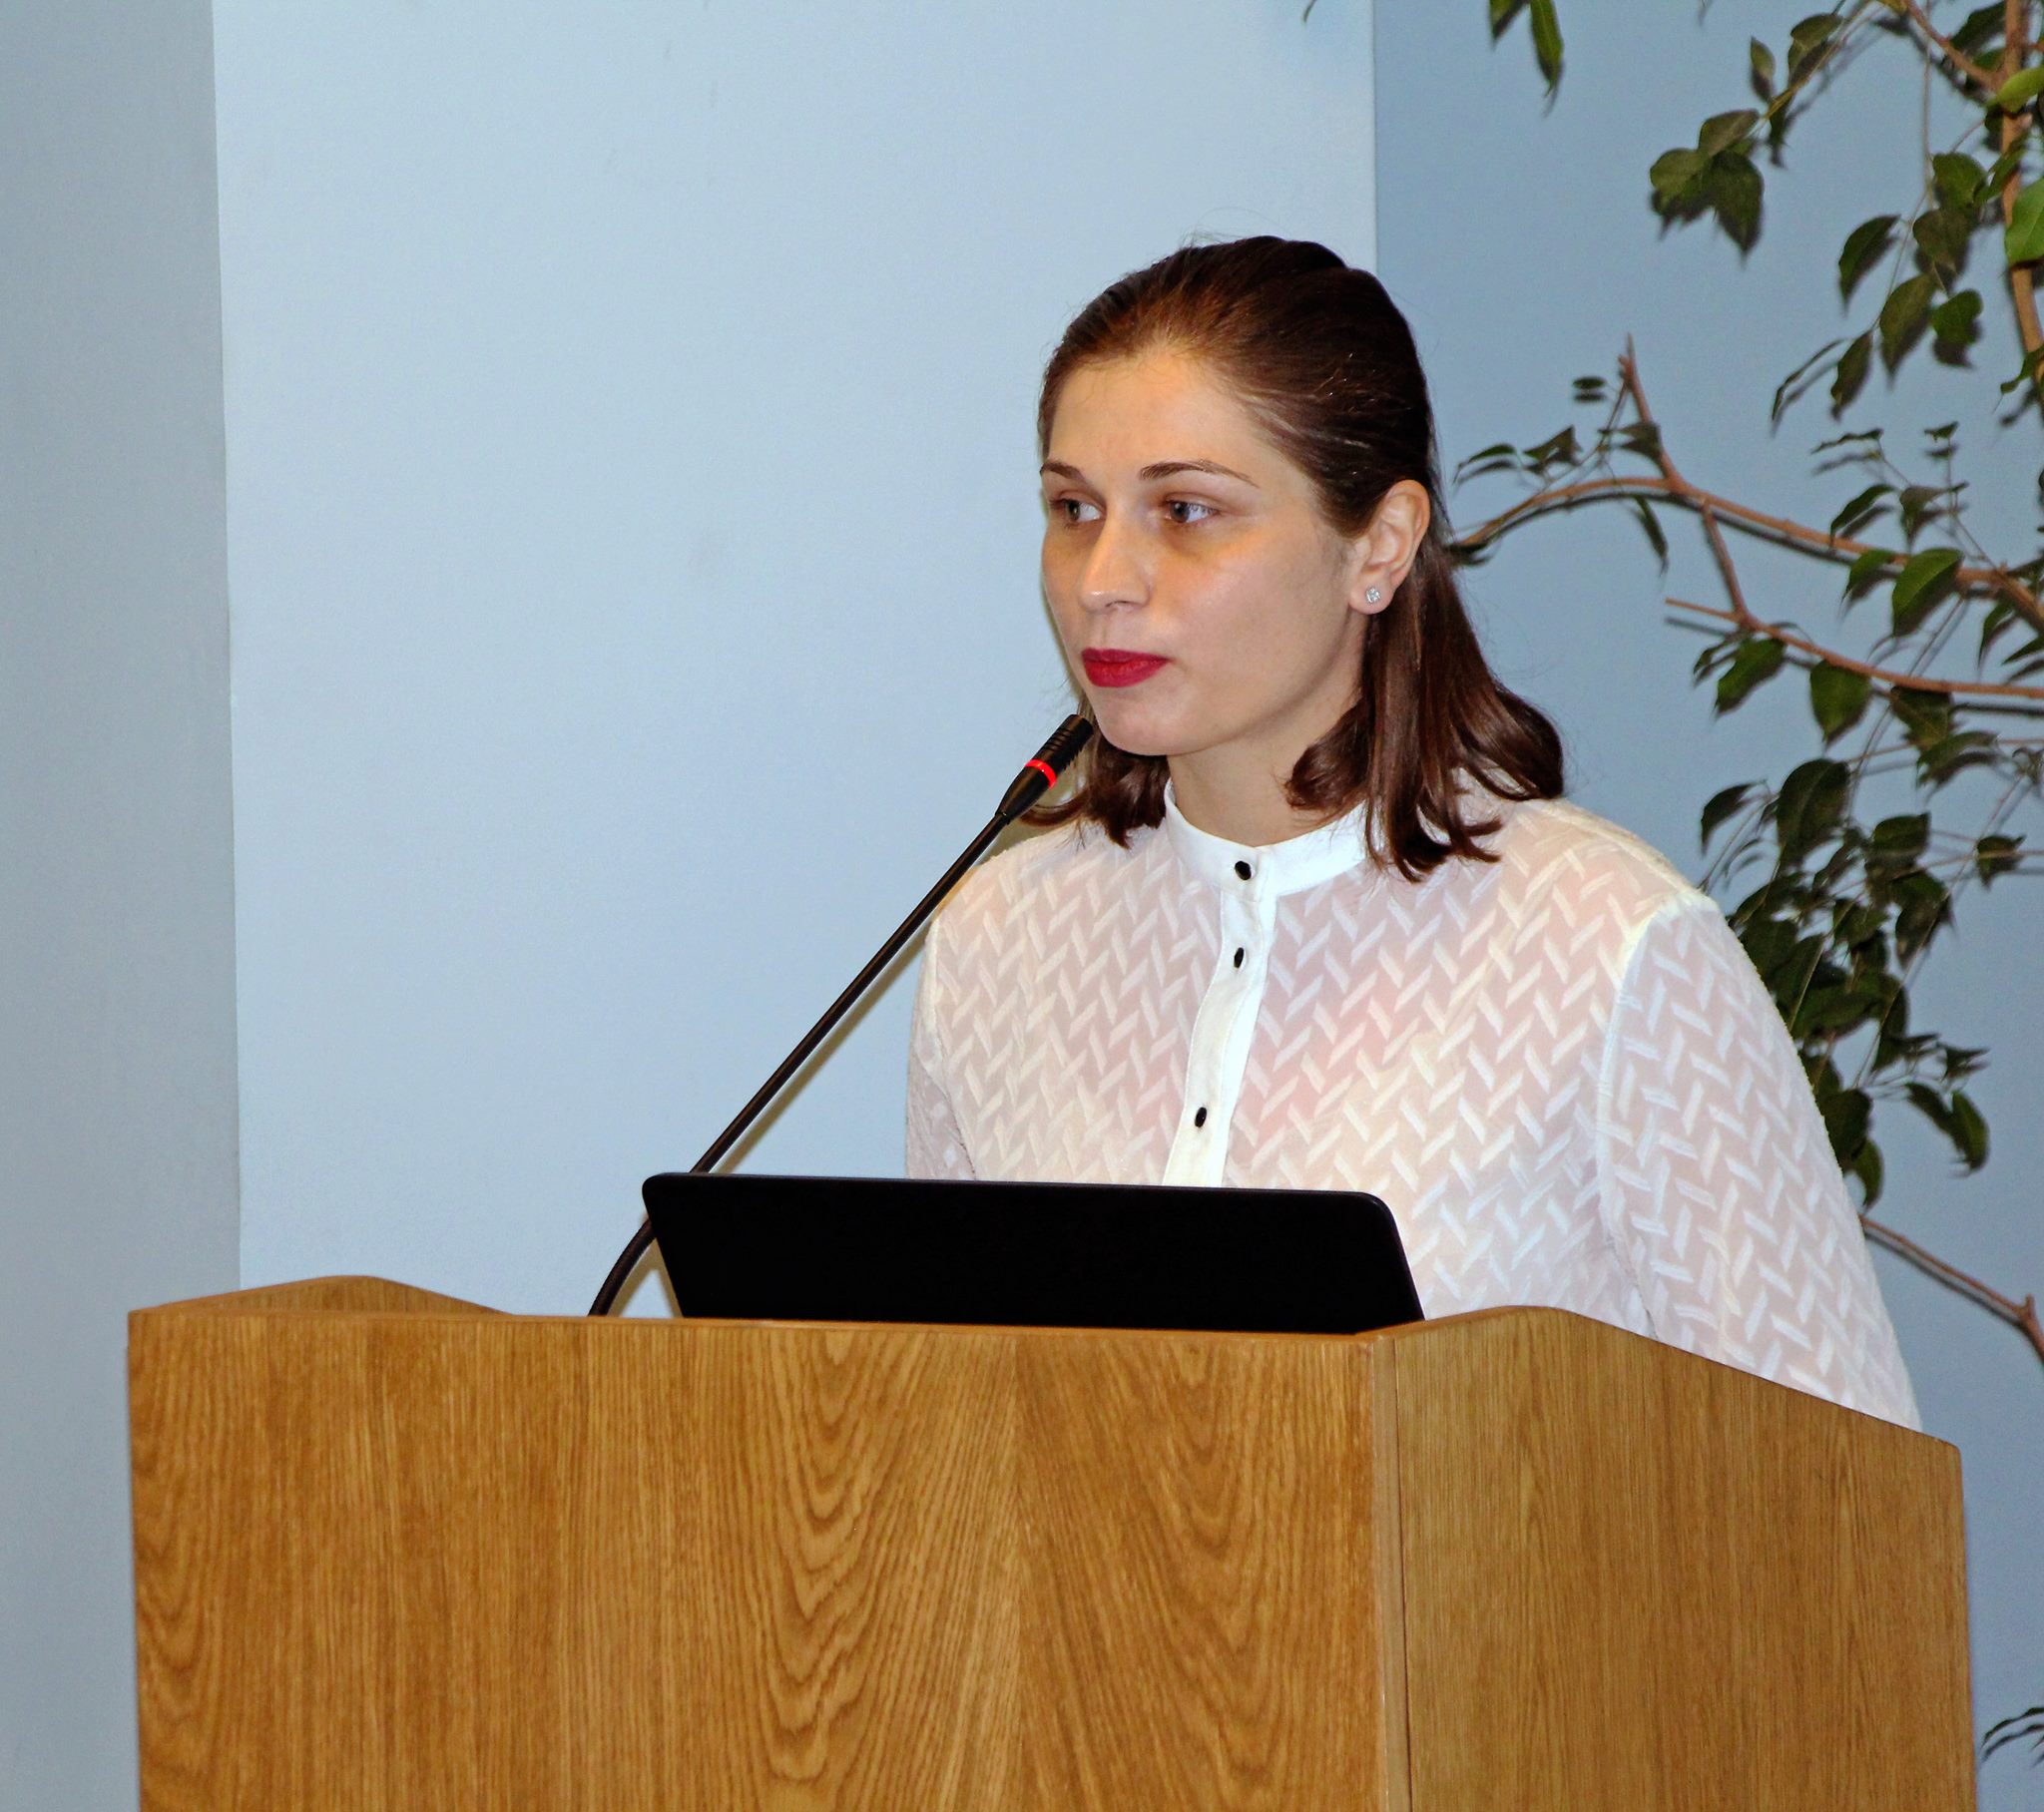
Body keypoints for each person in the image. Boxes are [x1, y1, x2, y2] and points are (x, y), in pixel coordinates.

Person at [904, 235, 1919, 1430]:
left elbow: (1842, 1489)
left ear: (1378, 546)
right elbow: (949, 1442)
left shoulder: (1609, 949)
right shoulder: (997, 943)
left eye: (1184, 510)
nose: (1102, 579)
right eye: (1072, 509)